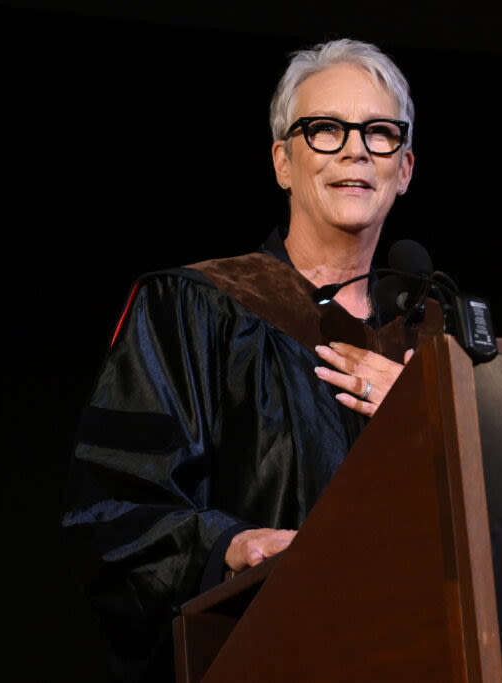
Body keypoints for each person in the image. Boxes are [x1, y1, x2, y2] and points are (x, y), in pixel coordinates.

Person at [62, 38, 442, 683]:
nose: (355, 149)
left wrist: (439, 418)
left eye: (379, 133)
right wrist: (231, 545)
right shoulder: (193, 308)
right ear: (283, 162)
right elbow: (114, 511)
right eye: (325, 130)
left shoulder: (443, 336)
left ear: (404, 167)